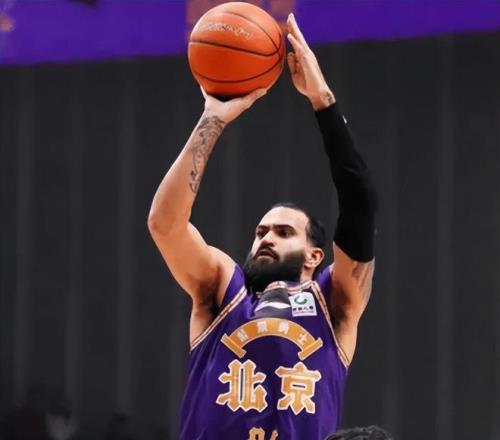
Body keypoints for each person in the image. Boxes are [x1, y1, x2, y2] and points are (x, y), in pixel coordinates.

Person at [147, 13, 377, 440]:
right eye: (260, 232)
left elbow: (361, 205)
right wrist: (213, 118)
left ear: (315, 255)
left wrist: (323, 100)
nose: (266, 237)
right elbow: (165, 225)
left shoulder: (334, 302)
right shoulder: (223, 288)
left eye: (283, 232)